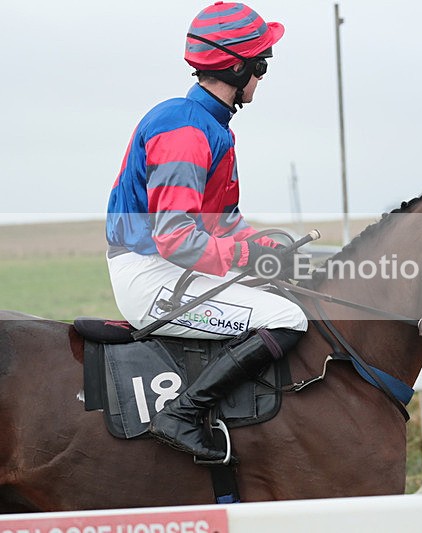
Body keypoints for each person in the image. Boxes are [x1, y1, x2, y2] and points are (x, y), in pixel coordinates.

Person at [105, 2, 307, 462]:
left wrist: (264, 244)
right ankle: (182, 414)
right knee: (288, 320)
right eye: (263, 63)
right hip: (151, 276)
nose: (265, 74)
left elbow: (224, 221)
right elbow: (175, 239)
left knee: (291, 292)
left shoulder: (212, 126)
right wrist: (245, 256)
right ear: (240, 67)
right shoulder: (185, 130)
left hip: (173, 268)